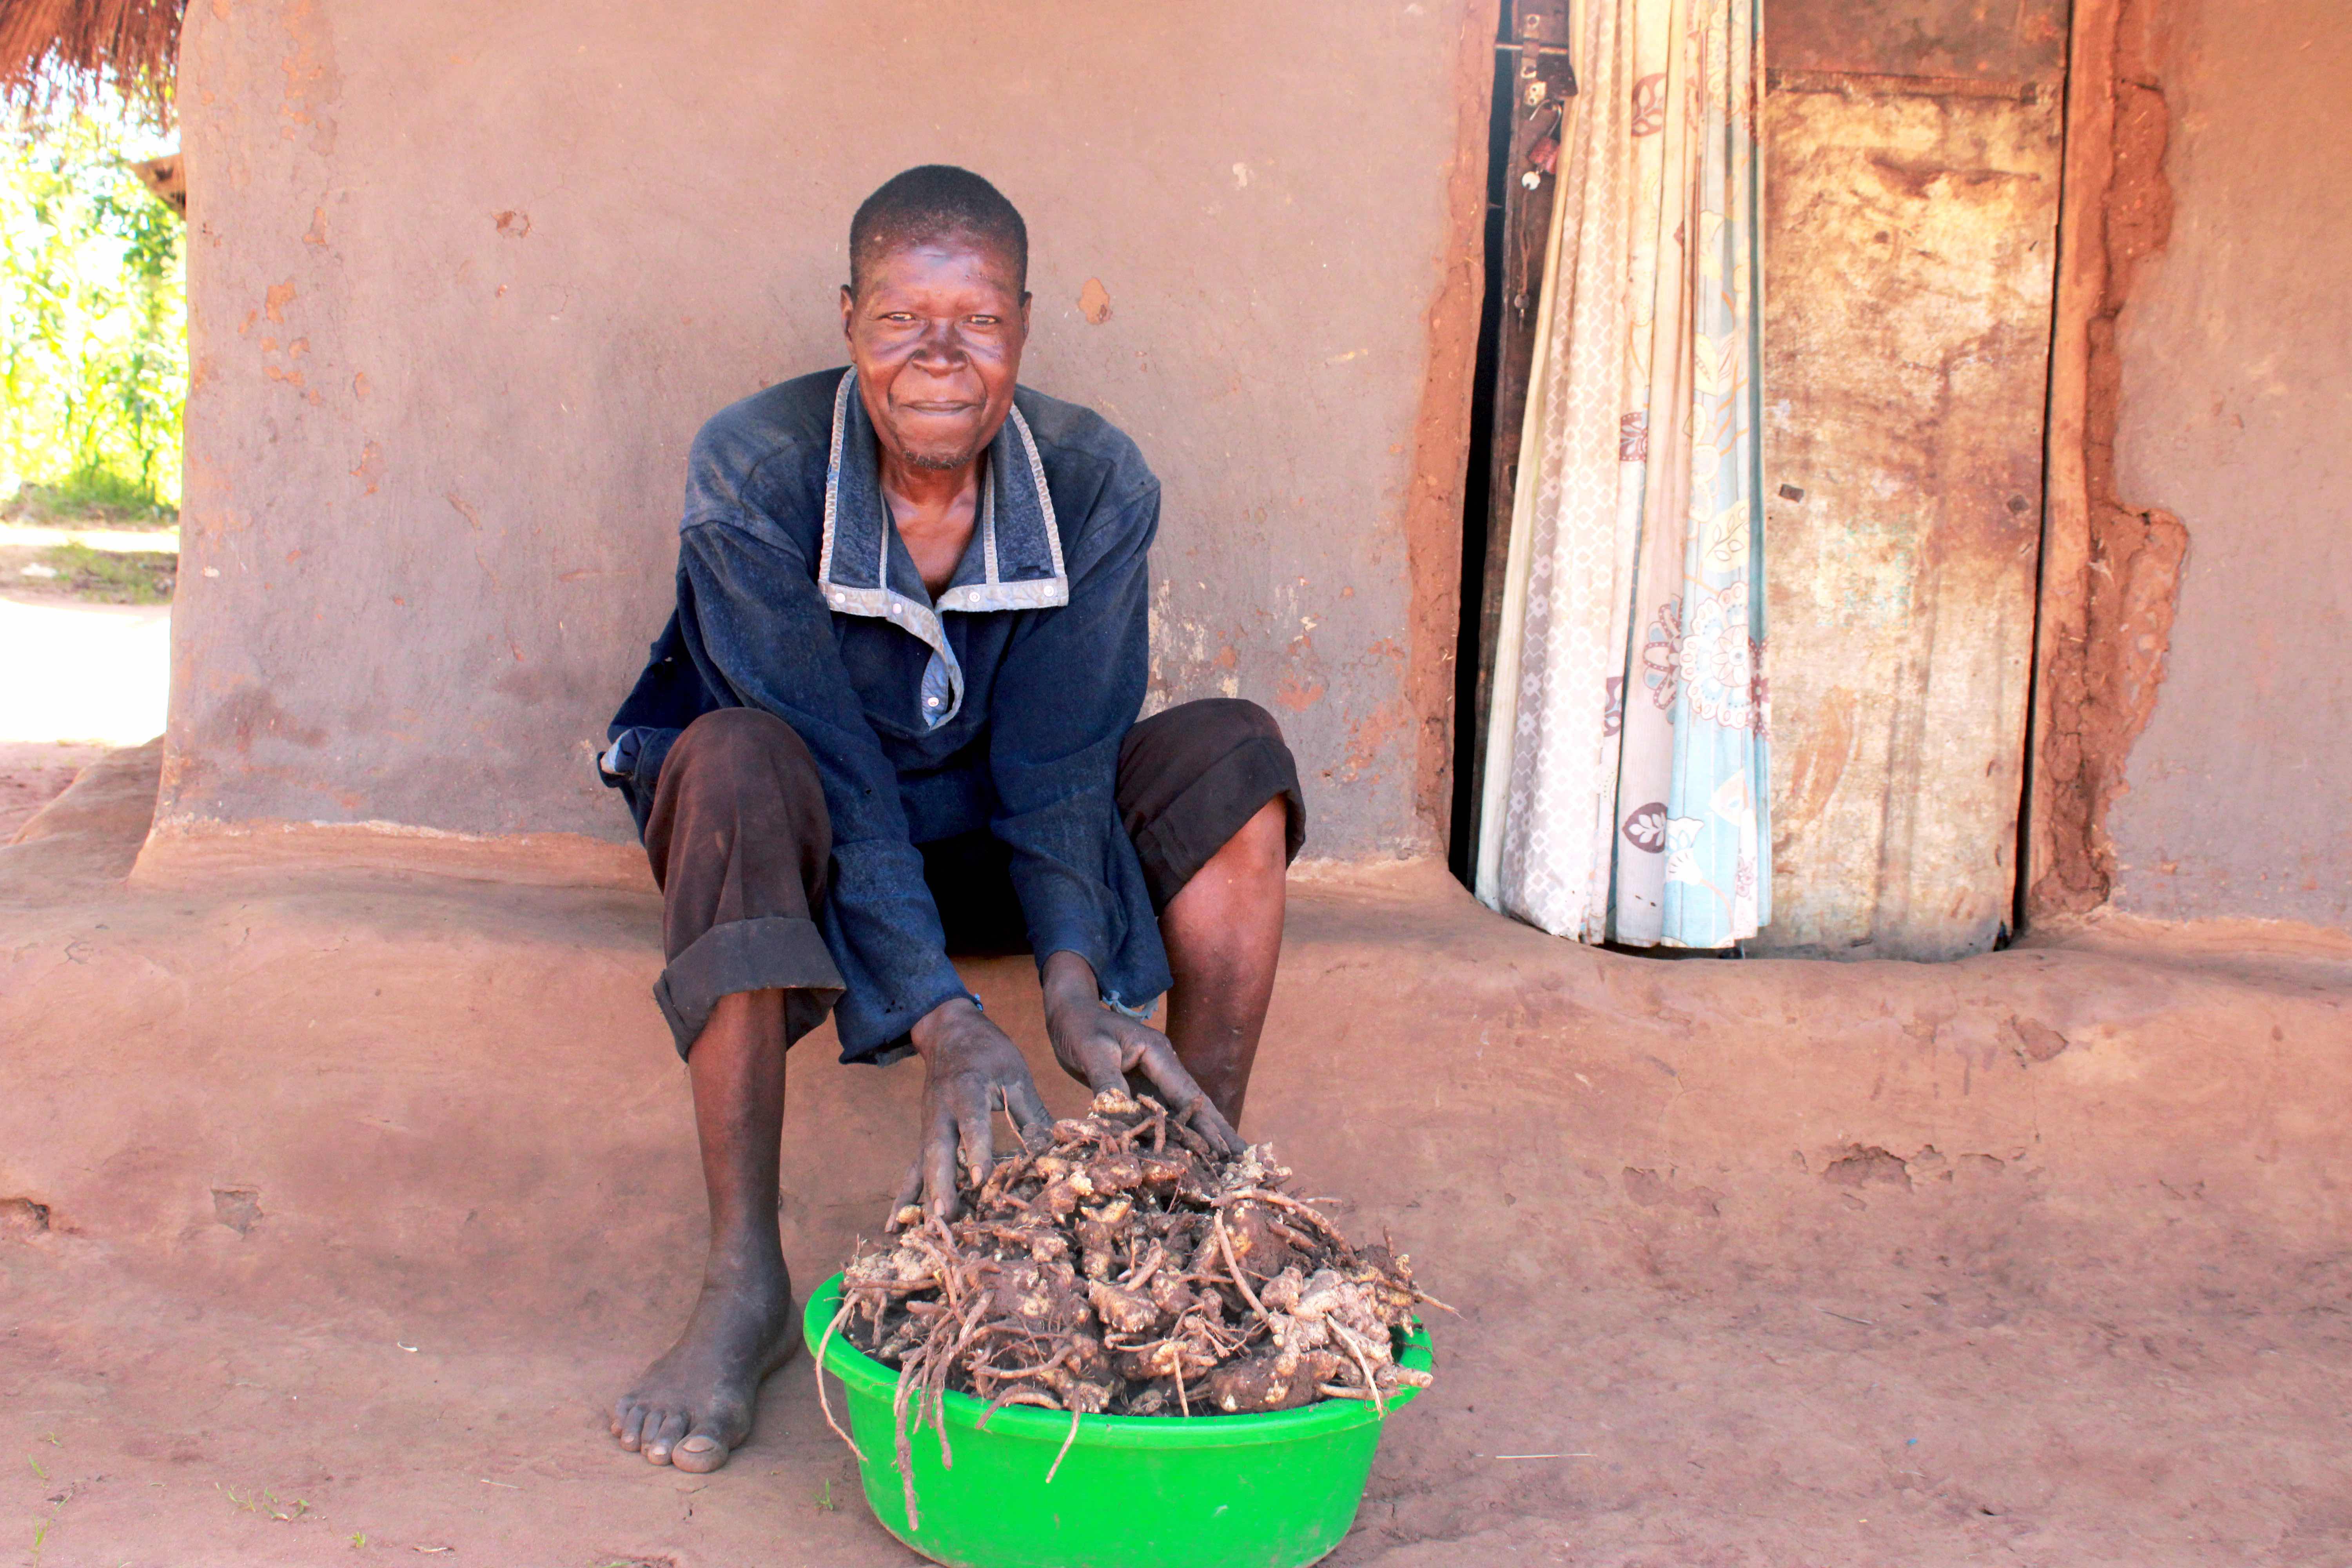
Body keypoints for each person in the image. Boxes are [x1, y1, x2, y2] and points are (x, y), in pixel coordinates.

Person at [595, 166, 1305, 1474]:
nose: (939, 357)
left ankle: (1189, 1217)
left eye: (975, 321)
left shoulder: (1093, 483)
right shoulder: (755, 472)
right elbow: (832, 765)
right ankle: (744, 1282)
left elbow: (1060, 761)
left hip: (989, 841)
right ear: (848, 319)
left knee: (1234, 756)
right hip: (799, 848)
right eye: (900, 320)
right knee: (734, 760)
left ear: (1023, 328)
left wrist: (1076, 982)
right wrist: (948, 1018)